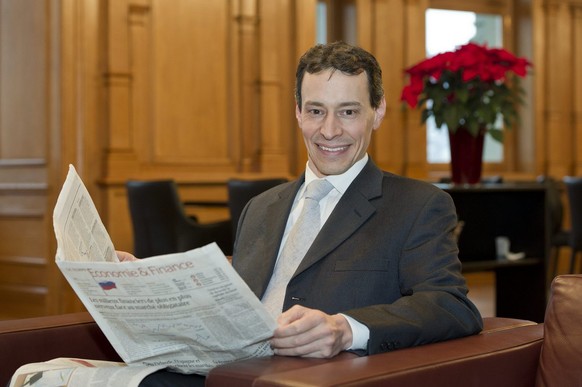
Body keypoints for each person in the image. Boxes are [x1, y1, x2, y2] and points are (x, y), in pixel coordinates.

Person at [140, 41, 483, 385]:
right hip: (222, 372)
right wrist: (146, 281)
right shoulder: (259, 208)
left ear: (377, 112)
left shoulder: (417, 205)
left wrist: (345, 329)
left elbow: (449, 305)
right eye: (316, 111)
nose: (329, 130)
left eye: (348, 112)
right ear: (298, 112)